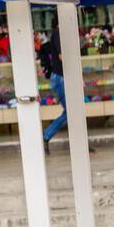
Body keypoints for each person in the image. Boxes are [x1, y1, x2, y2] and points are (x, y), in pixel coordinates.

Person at [41, 16, 67, 154]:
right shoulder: (58, 33)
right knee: (71, 112)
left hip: (60, 77)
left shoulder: (58, 34)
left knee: (72, 112)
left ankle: (82, 144)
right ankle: (45, 136)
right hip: (60, 78)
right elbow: (62, 56)